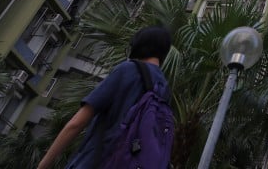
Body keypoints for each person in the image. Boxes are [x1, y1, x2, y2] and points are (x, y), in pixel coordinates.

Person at [37, 25, 172, 169]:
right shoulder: (165, 89)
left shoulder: (128, 70)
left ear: (139, 45)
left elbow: (77, 123)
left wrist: (43, 165)